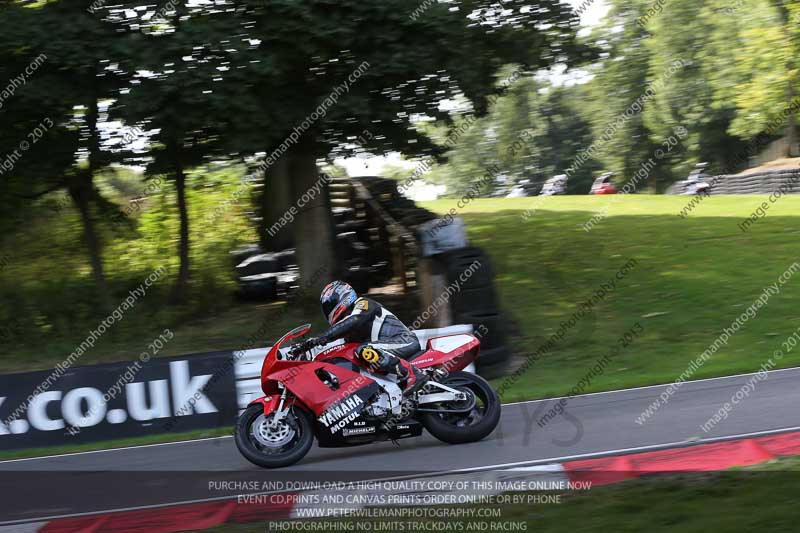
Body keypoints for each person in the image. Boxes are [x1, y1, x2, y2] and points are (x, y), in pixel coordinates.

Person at [296, 281, 429, 396]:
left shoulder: (363, 303)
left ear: (343, 295)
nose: (328, 309)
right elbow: (336, 347)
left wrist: (324, 336)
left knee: (364, 349)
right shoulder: (348, 332)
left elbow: (355, 320)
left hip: (404, 341)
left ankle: (414, 374)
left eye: (330, 304)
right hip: (387, 349)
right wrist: (307, 348)